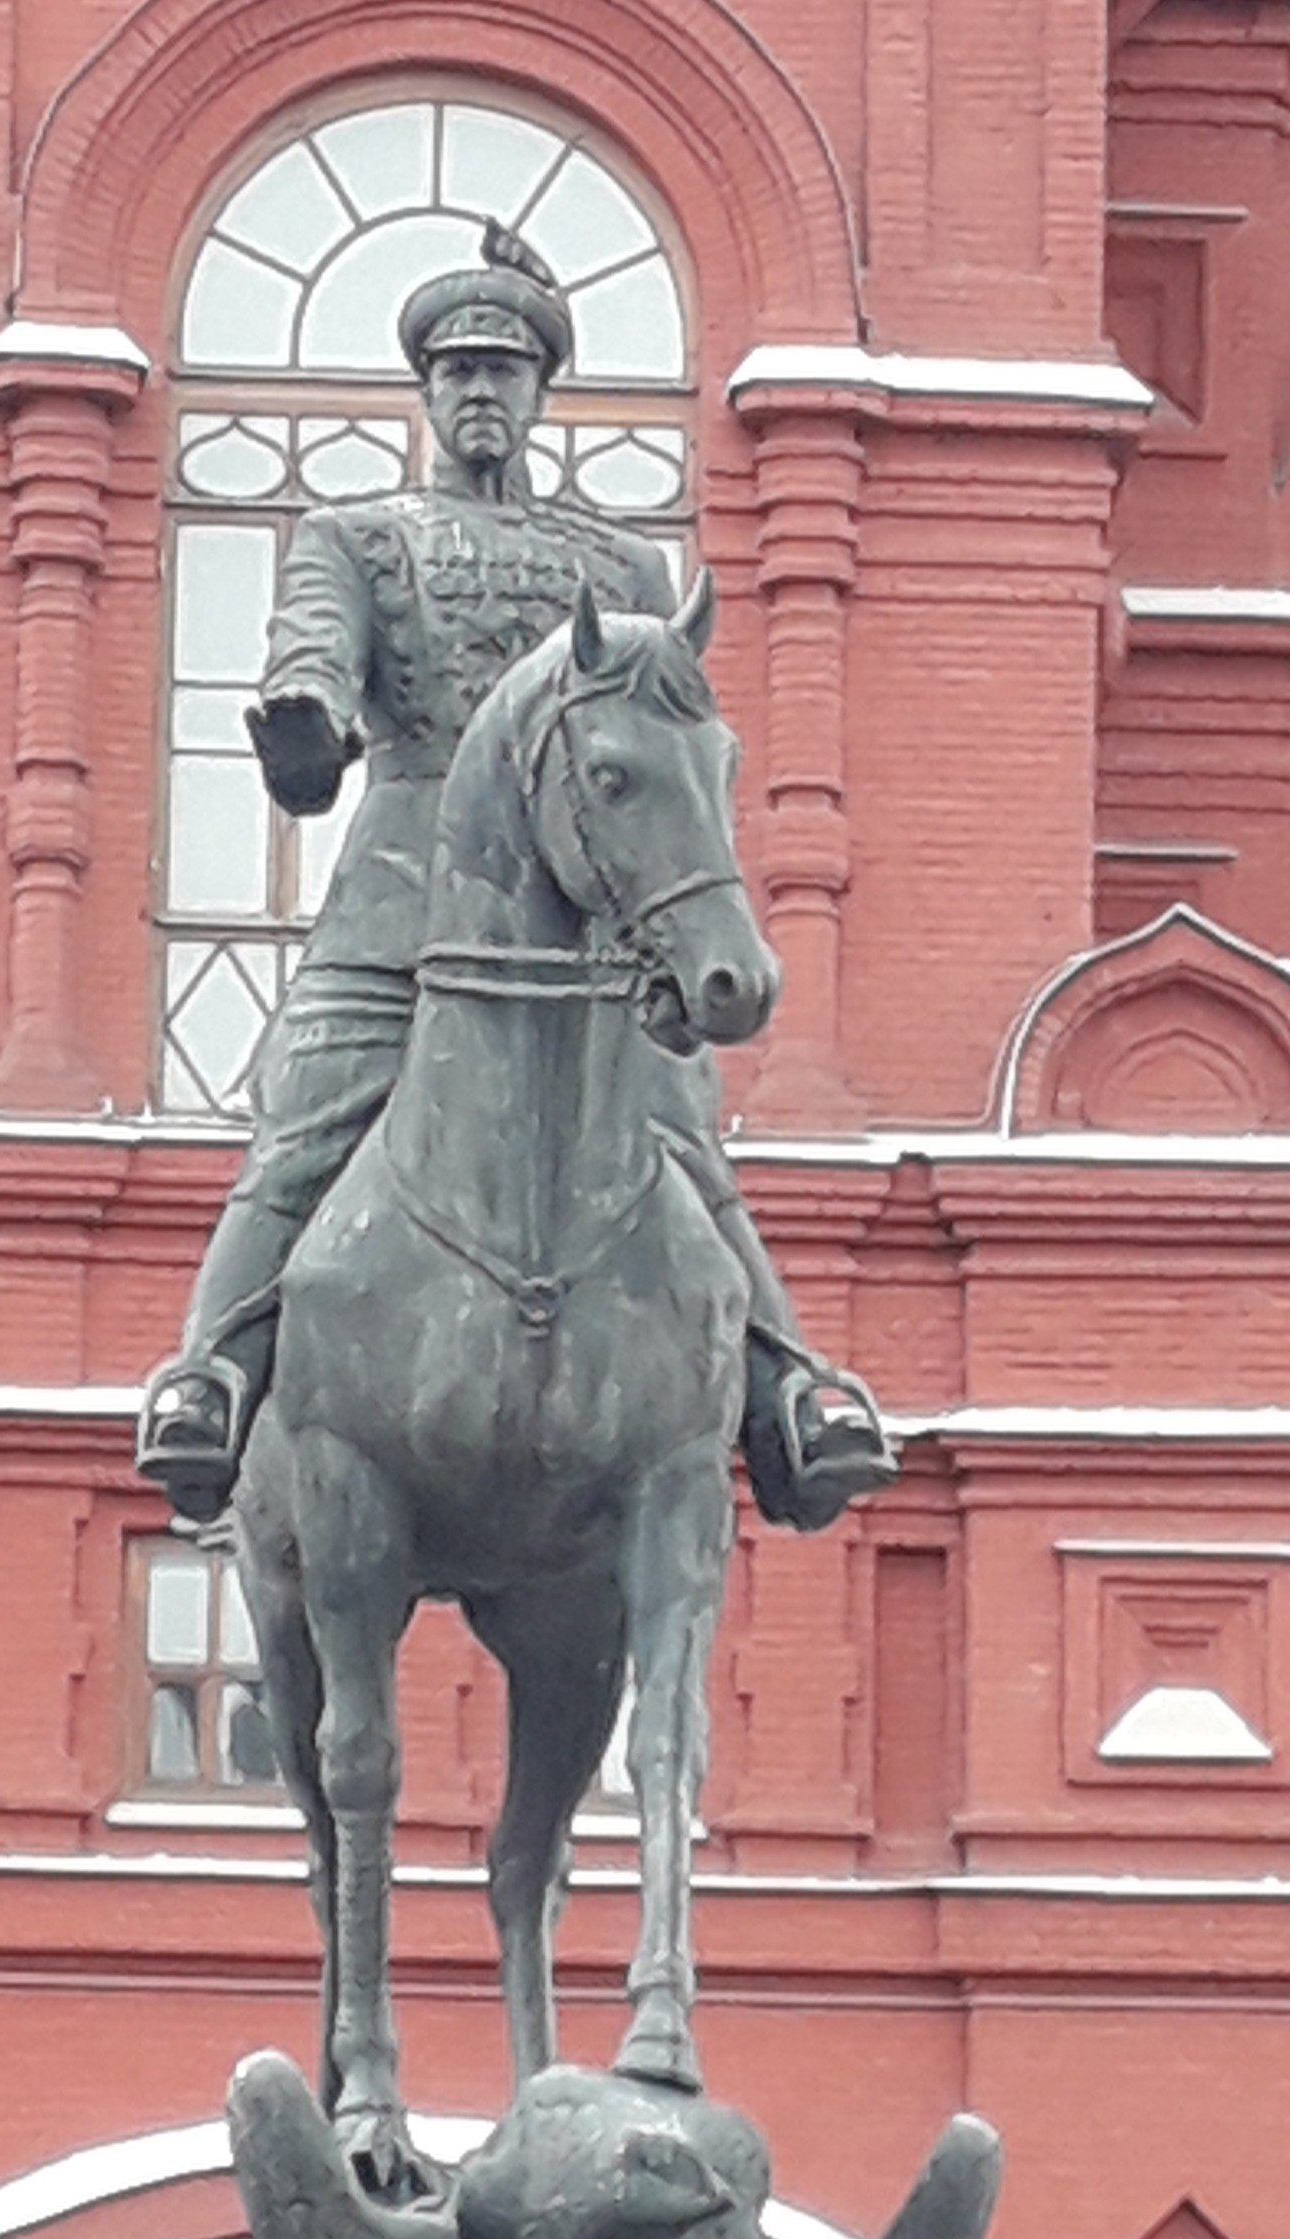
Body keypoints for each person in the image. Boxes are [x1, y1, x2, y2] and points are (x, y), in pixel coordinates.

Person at [138, 223, 895, 1534]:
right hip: (395, 902)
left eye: (503, 371)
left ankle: (790, 1389)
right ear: (426, 391)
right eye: (456, 371)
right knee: (305, 1130)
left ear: (541, 392)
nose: (478, 393)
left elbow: (654, 758)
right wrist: (304, 714)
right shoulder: (357, 537)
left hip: (584, 930)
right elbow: (313, 651)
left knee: (681, 1135)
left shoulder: (621, 569)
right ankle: (207, 1376)